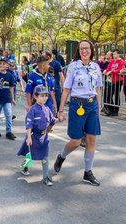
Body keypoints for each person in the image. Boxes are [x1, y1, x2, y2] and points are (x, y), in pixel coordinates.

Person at [54, 40, 103, 186]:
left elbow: (98, 89)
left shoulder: (96, 67)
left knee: (91, 140)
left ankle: (87, 173)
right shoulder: (73, 67)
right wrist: (61, 111)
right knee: (76, 142)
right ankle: (61, 157)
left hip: (92, 105)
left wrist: (98, 108)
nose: (84, 51)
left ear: (91, 50)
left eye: (86, 48)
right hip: (77, 105)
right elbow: (66, 89)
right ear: (78, 51)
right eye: (81, 49)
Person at [17, 86, 58, 186]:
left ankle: (45, 177)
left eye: (46, 96)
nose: (44, 98)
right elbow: (28, 124)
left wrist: (59, 119)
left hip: (44, 137)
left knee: (45, 156)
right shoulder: (32, 110)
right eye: (41, 96)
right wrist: (29, 137)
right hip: (33, 136)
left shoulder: (47, 109)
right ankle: (24, 165)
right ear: (35, 97)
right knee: (30, 156)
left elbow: (52, 120)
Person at [0, 56, 16, 140]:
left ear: (7, 65)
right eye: (0, 63)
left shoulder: (9, 75)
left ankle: (8, 131)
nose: (2, 65)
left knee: (8, 114)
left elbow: (11, 88)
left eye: (4, 64)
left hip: (7, 99)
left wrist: (12, 98)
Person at [103, 49, 124, 116]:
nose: (114, 56)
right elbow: (109, 68)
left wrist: (112, 71)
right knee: (109, 95)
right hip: (111, 80)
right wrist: (106, 70)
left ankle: (116, 110)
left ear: (118, 54)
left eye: (115, 54)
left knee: (116, 96)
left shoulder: (121, 61)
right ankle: (111, 109)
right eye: (113, 54)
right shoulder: (112, 61)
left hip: (118, 80)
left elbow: (120, 70)